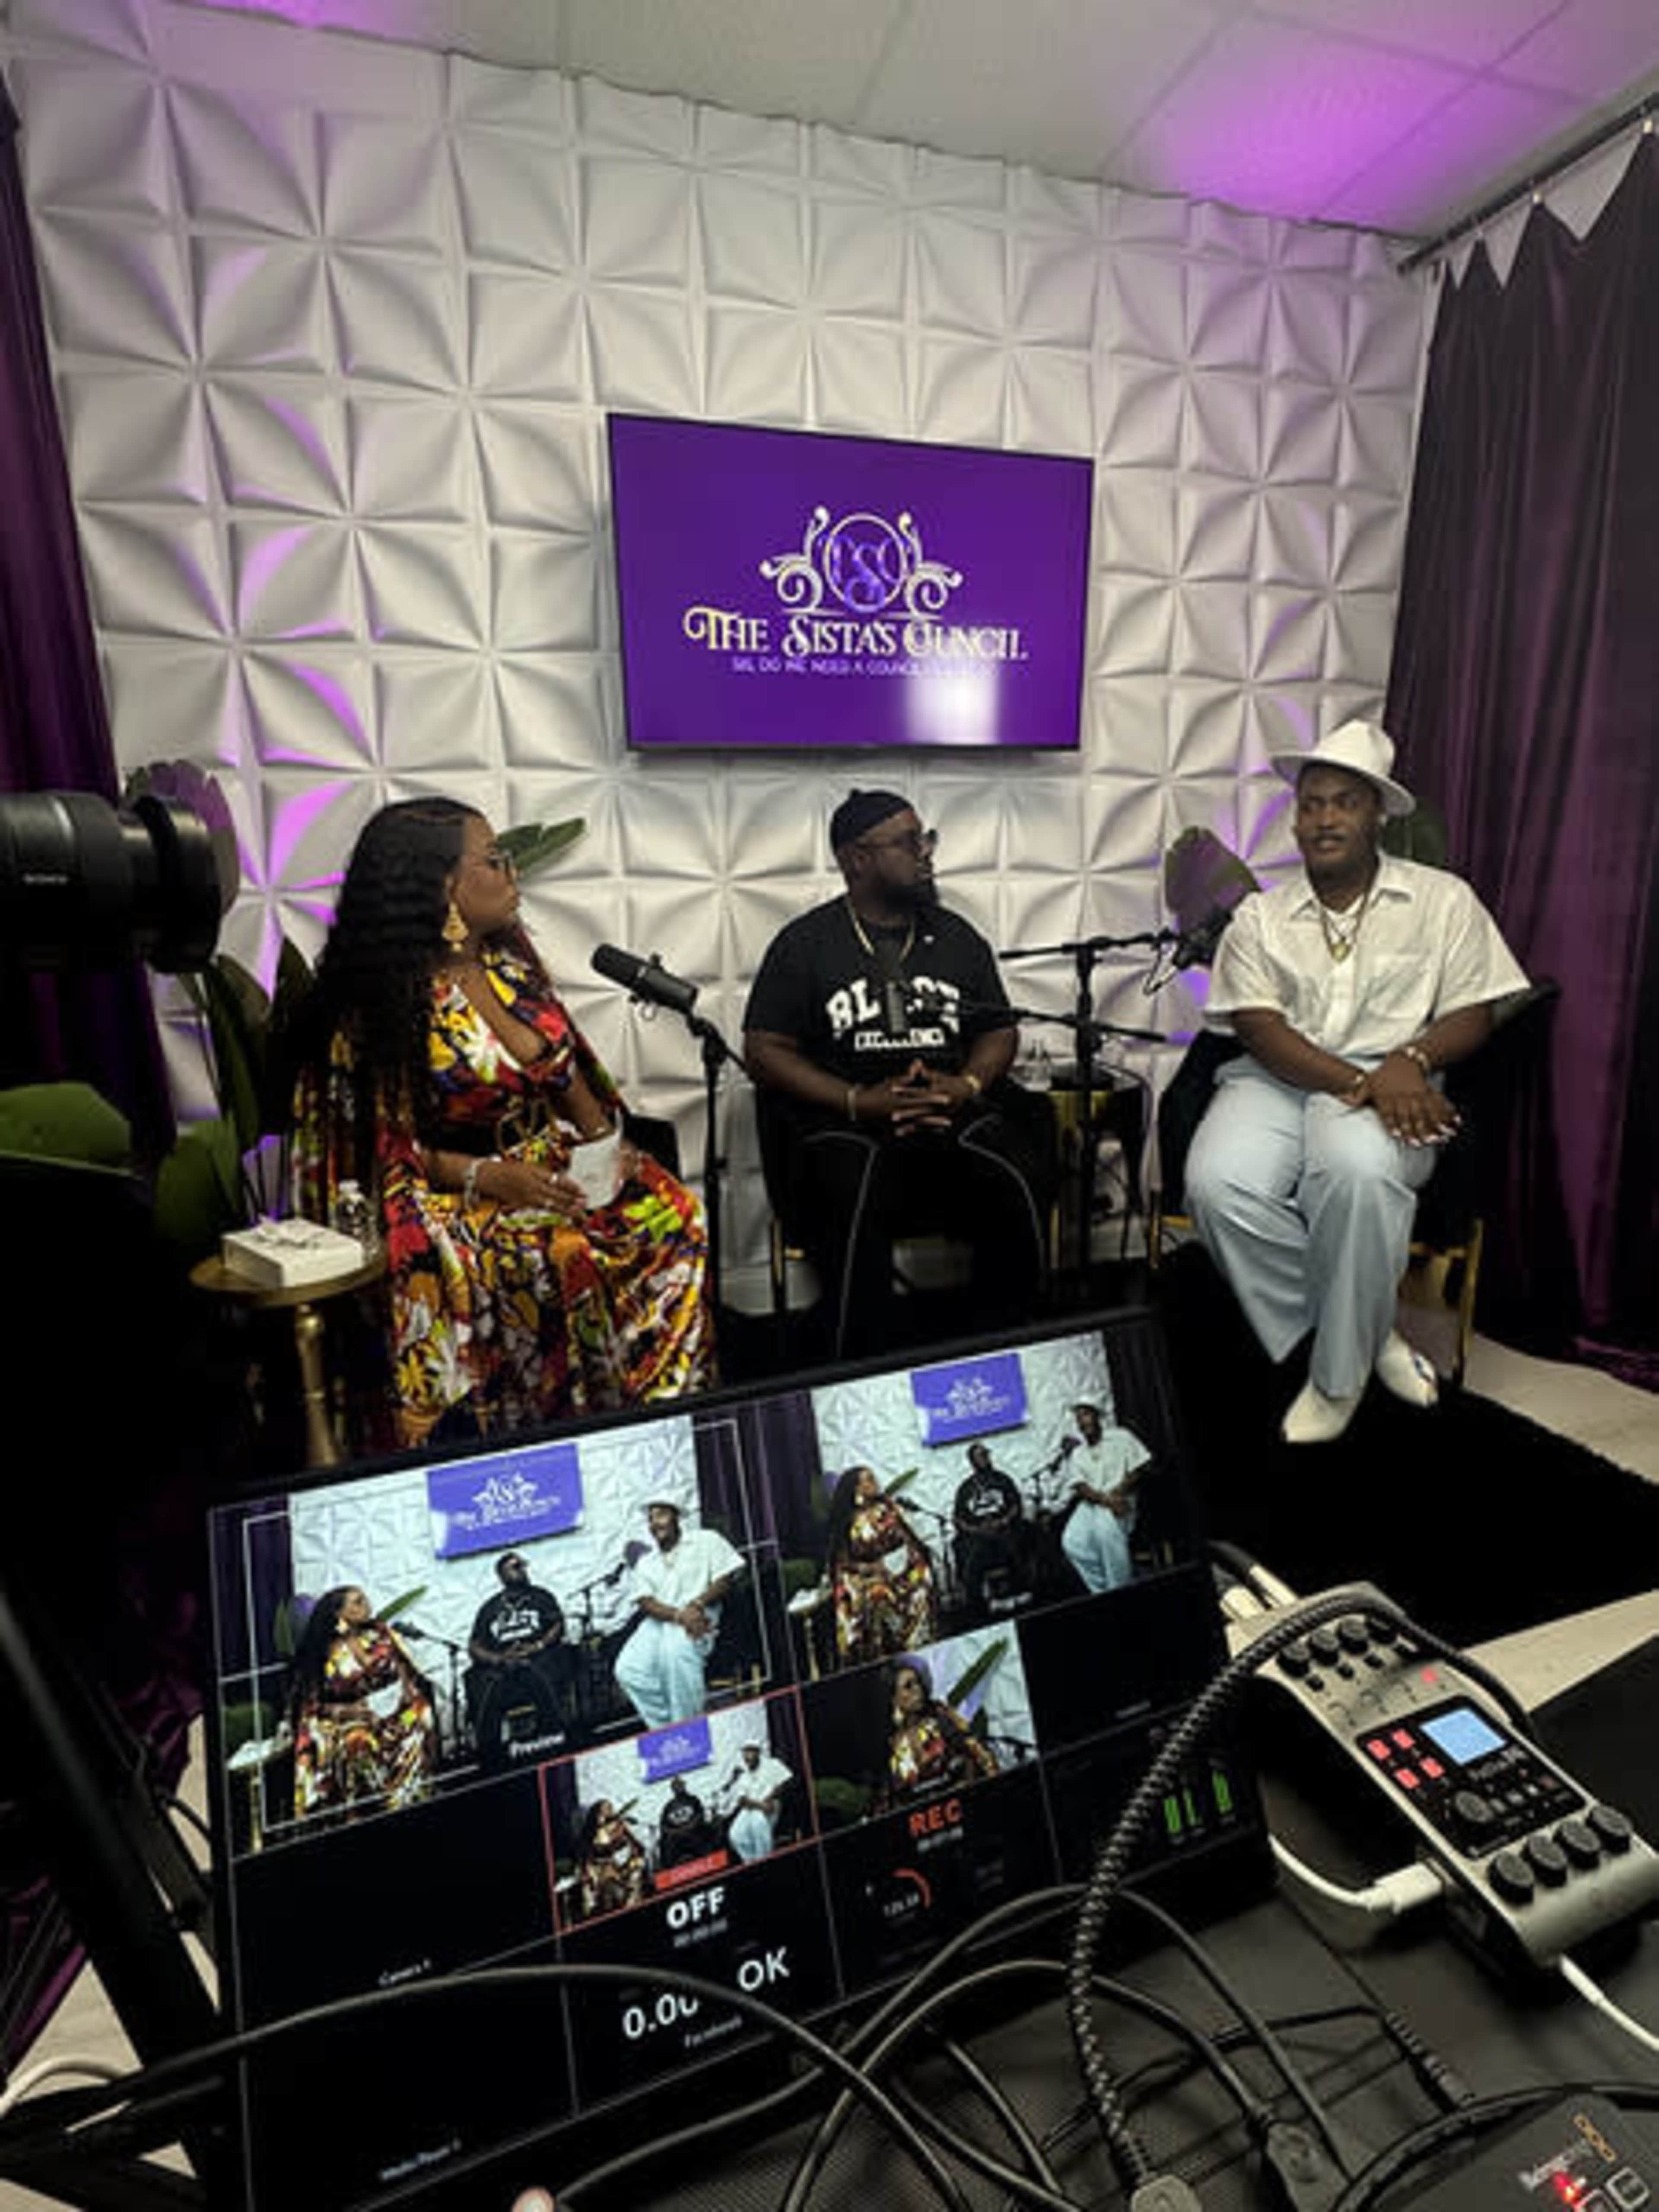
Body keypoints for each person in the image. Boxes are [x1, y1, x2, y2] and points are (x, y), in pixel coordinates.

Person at [289, 797, 713, 1448]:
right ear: (443, 888)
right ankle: (554, 1438)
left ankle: (653, 1427)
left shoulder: (514, 973)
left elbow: (570, 1077)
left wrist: (609, 1149)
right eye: (493, 860)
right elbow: (386, 1148)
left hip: (551, 1168)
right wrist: (490, 1176)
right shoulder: (378, 1004)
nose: (510, 872)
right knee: (557, 1254)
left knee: (673, 1214)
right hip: (456, 1195)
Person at [1184, 720, 1528, 1444]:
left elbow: (1476, 1010)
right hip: (1280, 1080)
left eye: (1344, 802)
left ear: (1377, 814)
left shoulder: (1443, 902)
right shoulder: (1260, 917)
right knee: (1218, 1184)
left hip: (1399, 1078)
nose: (1324, 819)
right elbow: (1259, 1029)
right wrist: (1372, 1080)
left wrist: (1412, 1058)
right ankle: (1371, 1332)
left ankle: (1338, 1379)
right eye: (1311, 804)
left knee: (1361, 1170)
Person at [743, 788, 1051, 1357]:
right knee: (852, 1179)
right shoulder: (806, 945)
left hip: (946, 1112)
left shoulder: (956, 936)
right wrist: (860, 1100)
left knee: (1016, 1162)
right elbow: (765, 1049)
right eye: (910, 842)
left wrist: (966, 1086)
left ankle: (1012, 1343)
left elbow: (999, 1030)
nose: (926, 853)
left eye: (925, 838)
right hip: (847, 1120)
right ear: (857, 859)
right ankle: (860, 1365)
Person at [289, 1585, 437, 1820]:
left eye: (365, 1599)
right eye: (357, 1602)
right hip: (349, 1718)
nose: (366, 1605)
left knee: (421, 1714)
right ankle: (365, 1813)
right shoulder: (323, 1650)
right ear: (340, 1614)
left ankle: (414, 1798)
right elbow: (314, 1704)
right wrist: (347, 1711)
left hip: (394, 1711)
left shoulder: (382, 1634)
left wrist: (408, 1693)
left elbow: (405, 1670)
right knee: (358, 1741)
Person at [613, 1501, 744, 1730]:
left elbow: (726, 1577)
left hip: (702, 1612)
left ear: (676, 1517)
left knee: (676, 1651)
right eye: (651, 1519)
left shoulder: (707, 1540)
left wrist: (698, 1604)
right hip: (662, 1620)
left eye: (661, 1516)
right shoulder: (646, 1562)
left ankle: (688, 1727)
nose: (655, 1524)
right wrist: (678, 1615)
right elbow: (646, 1601)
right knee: (628, 1669)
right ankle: (667, 1728)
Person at [824, 1466, 939, 1668]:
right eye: (868, 1480)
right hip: (866, 1576)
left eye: (873, 1478)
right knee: (878, 1592)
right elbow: (842, 1563)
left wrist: (904, 1563)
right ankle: (876, 1656)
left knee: (921, 1578)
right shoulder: (847, 1520)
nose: (874, 1482)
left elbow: (908, 1539)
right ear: (856, 1489)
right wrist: (871, 1569)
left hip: (900, 1570)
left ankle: (916, 1644)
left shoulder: (888, 1507)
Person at [464, 1551, 577, 1749]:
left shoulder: (541, 1597)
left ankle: (553, 1734)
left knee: (553, 1662)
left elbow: (558, 1625)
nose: (523, 1570)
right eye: (516, 1567)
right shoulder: (490, 1608)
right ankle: (490, 1749)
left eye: (523, 1566)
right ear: (502, 1575)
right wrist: (498, 1659)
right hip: (504, 1666)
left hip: (538, 1657)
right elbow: (474, 1646)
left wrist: (538, 1646)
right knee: (475, 1679)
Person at [875, 1656, 998, 1812]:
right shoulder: (894, 1744)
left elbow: (977, 1750)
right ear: (895, 1699)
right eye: (908, 1686)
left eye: (918, 1682)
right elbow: (889, 1798)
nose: (918, 1689)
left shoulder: (940, 1716)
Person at [1054, 1402, 1148, 1595]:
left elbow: (1140, 1467)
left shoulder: (1121, 1437)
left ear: (1097, 1416)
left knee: (1105, 1529)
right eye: (1079, 1418)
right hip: (1094, 1503)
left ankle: (1120, 1588)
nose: (1082, 1421)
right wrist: (1106, 1501)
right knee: (1072, 1541)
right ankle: (1102, 1590)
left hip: (1123, 1497)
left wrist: (1118, 1493)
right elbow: (1081, 1487)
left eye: (1086, 1415)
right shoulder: (1078, 1453)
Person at [951, 1441, 1030, 1621]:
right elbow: (958, 1519)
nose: (985, 1459)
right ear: (972, 1461)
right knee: (964, 1549)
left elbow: (1017, 1505)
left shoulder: (1003, 1479)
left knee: (1021, 1536)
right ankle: (978, 1604)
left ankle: (1021, 1591)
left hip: (1005, 1527)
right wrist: (976, 1530)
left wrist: (1003, 1521)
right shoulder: (966, 1488)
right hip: (979, 1534)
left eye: (986, 1454)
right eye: (980, 1456)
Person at [574, 1797, 648, 1920]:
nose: (610, 1811)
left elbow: (635, 1844)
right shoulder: (591, 1835)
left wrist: (635, 1855)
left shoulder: (619, 1826)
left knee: (636, 1874)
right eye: (606, 1809)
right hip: (601, 1873)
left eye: (611, 1808)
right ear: (597, 1814)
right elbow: (588, 1856)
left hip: (623, 1869)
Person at [721, 1741, 794, 1863]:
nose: (746, 1756)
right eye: (745, 1753)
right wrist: (761, 1805)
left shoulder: (772, 1765)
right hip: (753, 1808)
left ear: (758, 1752)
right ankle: (750, 1861)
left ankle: (765, 1859)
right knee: (736, 1834)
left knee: (758, 1824)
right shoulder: (744, 1775)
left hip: (771, 1804)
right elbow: (742, 1800)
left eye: (750, 1752)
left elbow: (786, 1782)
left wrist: (770, 1797)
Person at [654, 1774, 719, 1870]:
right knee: (664, 1843)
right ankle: (671, 1870)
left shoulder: (693, 1800)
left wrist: (689, 1828)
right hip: (676, 1837)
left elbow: (700, 1816)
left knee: (710, 1830)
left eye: (680, 1785)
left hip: (695, 1832)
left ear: (684, 1786)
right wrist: (677, 1832)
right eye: (676, 1786)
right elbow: (664, 1827)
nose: (678, 1788)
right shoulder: (668, 1807)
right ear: (673, 1789)